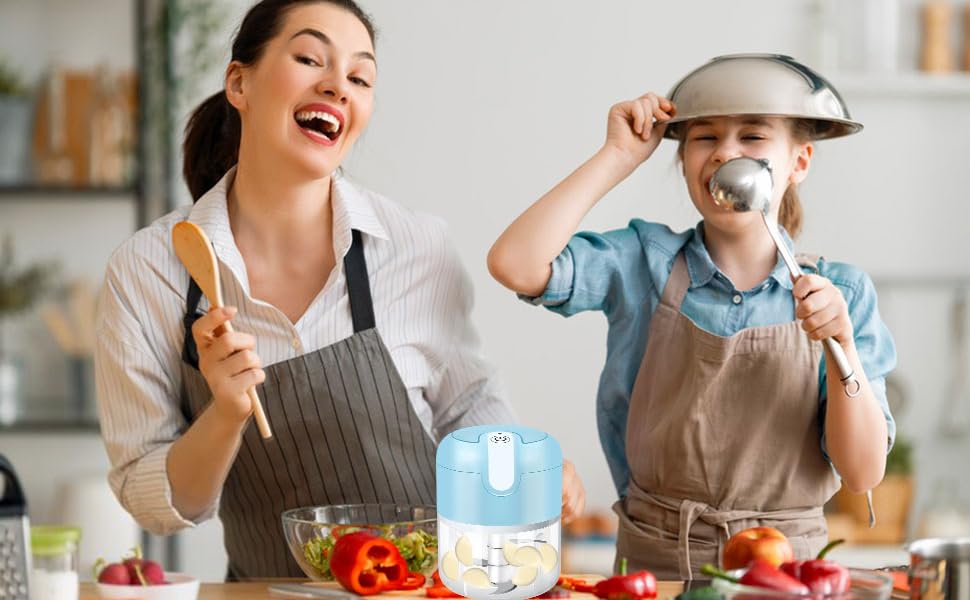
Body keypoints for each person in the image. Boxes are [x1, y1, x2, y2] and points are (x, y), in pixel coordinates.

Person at [95, 0, 584, 579]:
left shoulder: (416, 247)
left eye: (359, 77)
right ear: (239, 81)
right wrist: (225, 413)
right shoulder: (149, 272)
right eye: (309, 58)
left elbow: (464, 404)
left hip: (428, 591)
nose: (337, 86)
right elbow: (156, 503)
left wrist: (525, 474)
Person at [487, 54, 896, 580]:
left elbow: (862, 473)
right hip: (656, 566)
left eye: (752, 137)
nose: (726, 153)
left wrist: (840, 345)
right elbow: (514, 264)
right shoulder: (641, 261)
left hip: (788, 575)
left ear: (799, 162)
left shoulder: (843, 294)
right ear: (681, 160)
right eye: (704, 138)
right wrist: (616, 157)